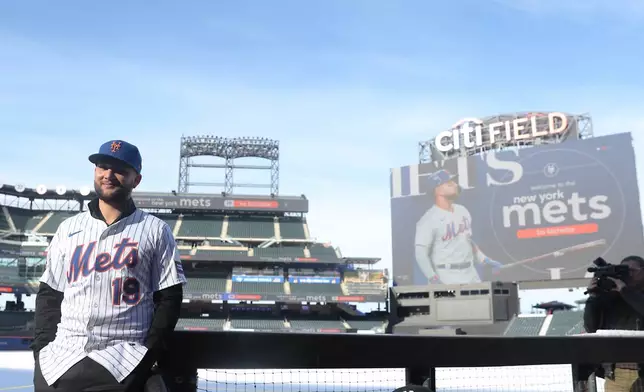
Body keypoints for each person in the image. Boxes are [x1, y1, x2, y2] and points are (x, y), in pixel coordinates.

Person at [31, 140, 187, 392]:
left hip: (123, 360)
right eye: (103, 167)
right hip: (60, 361)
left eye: (120, 170)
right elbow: (50, 294)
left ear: (136, 180)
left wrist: (148, 355)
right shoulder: (67, 228)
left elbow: (169, 298)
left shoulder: (156, 230)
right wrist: (41, 350)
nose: (108, 175)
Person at [414, 169, 503, 285]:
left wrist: (484, 259)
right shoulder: (428, 220)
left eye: (454, 182)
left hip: (471, 273)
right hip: (446, 275)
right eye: (449, 183)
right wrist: (433, 278)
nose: (455, 185)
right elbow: (420, 254)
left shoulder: (462, 210)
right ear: (436, 190)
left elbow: (467, 240)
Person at [583, 255, 644, 392]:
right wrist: (593, 298)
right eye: (623, 271)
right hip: (616, 373)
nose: (628, 275)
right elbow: (591, 328)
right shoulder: (611, 298)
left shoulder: (632, 295)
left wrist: (625, 291)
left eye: (632, 271)